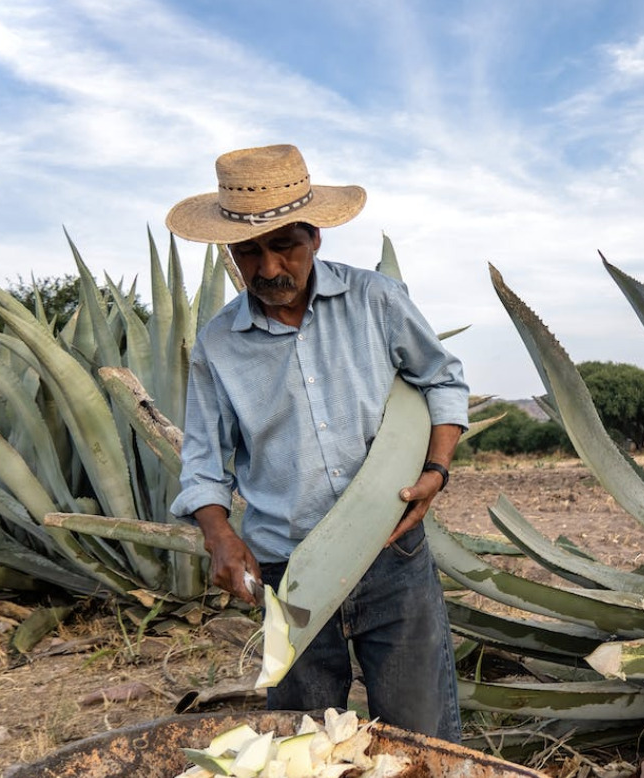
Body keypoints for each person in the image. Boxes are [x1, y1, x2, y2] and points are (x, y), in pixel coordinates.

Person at [165, 144, 468, 742]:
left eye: (286, 246)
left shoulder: (376, 301)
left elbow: (442, 379)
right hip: (288, 568)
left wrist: (436, 470)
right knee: (303, 739)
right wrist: (219, 534)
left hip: (390, 551)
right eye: (249, 252)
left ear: (315, 238)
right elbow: (203, 459)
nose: (269, 268)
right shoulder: (218, 345)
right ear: (230, 252)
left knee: (421, 731)